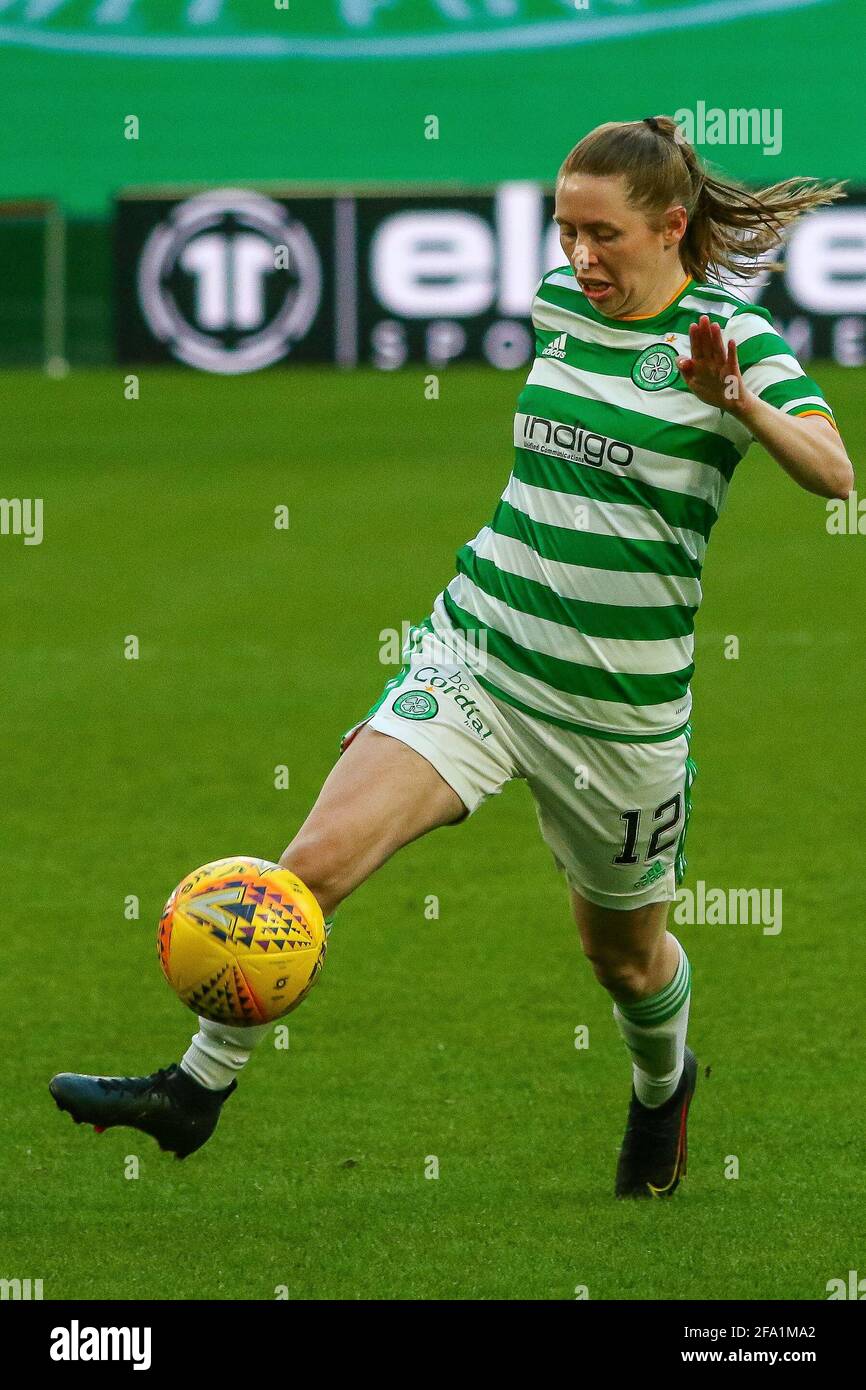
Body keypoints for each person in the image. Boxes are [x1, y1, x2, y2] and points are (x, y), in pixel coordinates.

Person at [51, 116, 853, 1198]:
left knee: (622, 958)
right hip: (478, 653)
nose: (577, 257)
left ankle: (663, 1087)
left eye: (601, 234)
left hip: (618, 712)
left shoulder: (734, 342)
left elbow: (834, 475)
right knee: (315, 863)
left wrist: (739, 403)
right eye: (564, 230)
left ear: (669, 227)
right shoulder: (560, 305)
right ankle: (195, 1089)